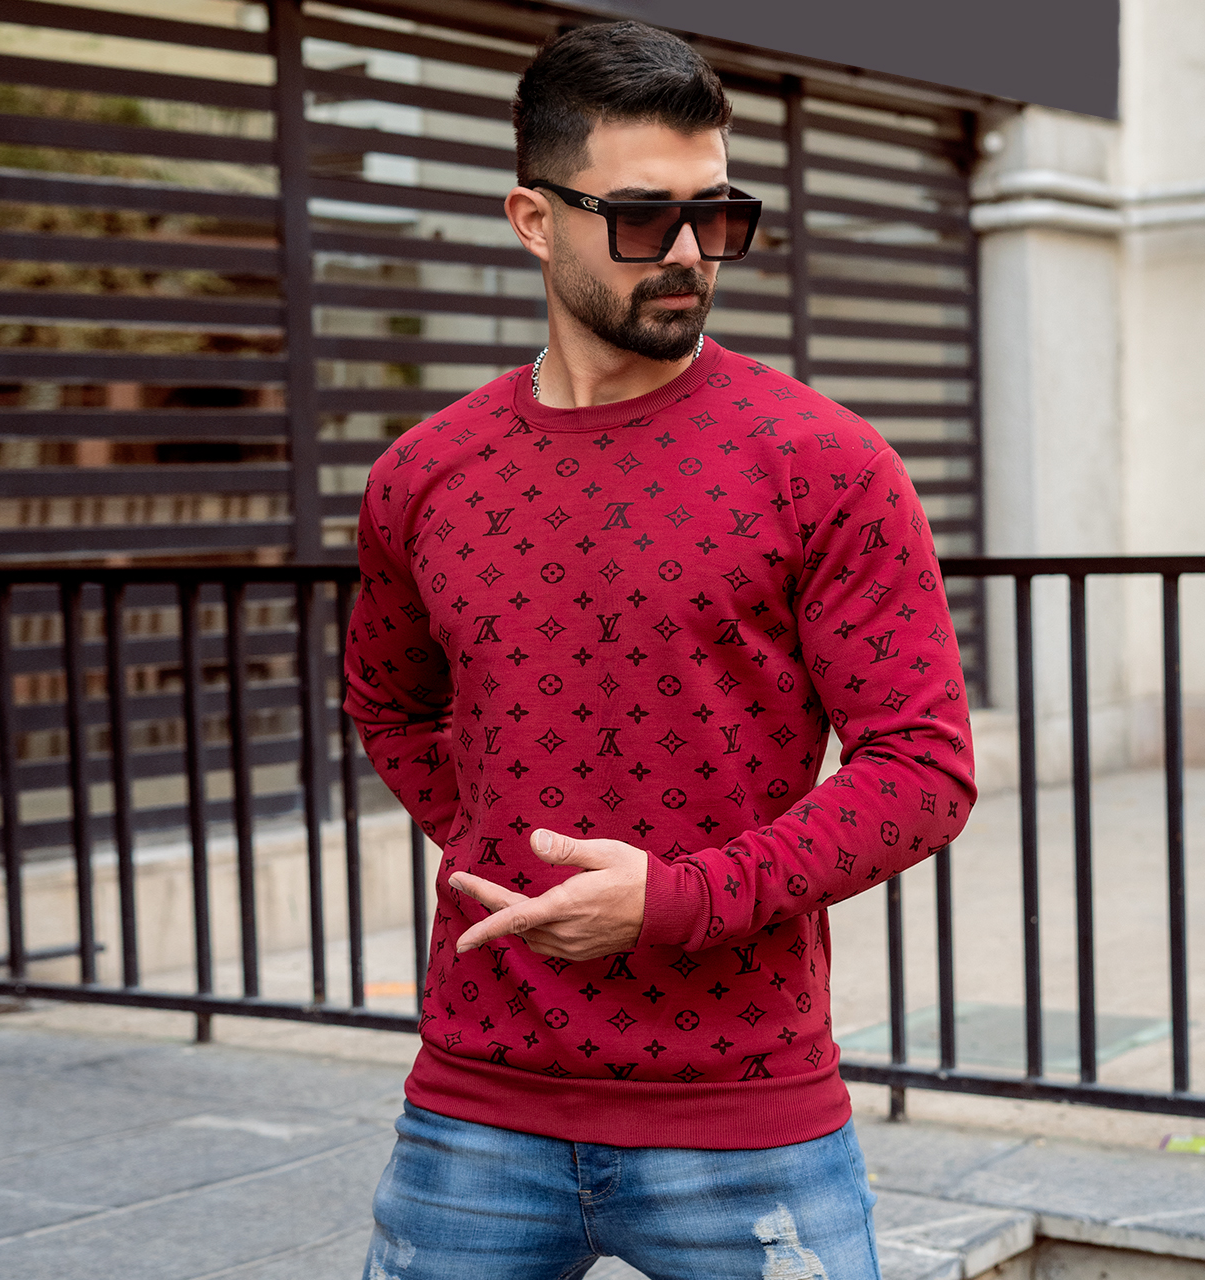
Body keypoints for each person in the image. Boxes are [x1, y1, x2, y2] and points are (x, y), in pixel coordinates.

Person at [345, 20, 975, 1280]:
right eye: (643, 218)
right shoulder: (423, 473)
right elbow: (389, 702)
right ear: (534, 219)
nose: (690, 253)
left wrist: (676, 899)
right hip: (477, 1104)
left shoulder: (821, 462)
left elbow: (921, 768)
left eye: (716, 214)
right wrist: (497, 841)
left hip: (745, 1112)